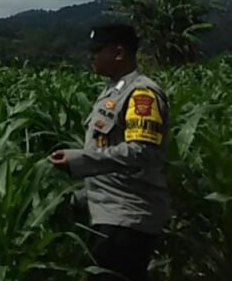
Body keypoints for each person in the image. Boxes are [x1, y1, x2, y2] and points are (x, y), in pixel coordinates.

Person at [48, 23, 171, 281]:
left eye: (97, 50)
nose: (91, 56)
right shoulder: (113, 91)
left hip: (128, 215)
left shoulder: (141, 94)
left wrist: (80, 160)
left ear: (118, 53)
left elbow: (142, 152)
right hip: (108, 211)